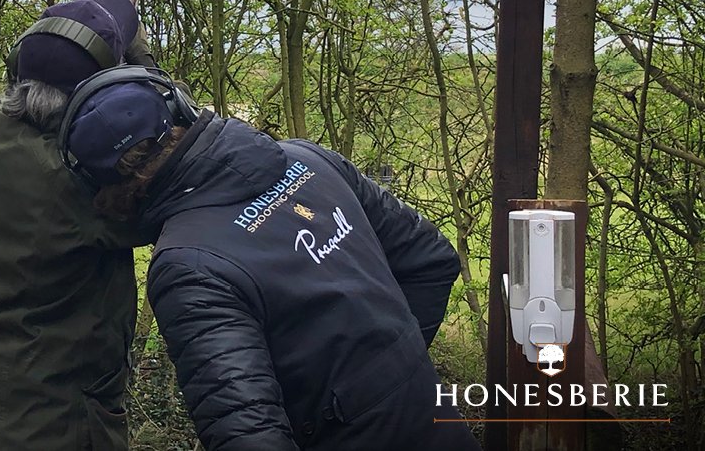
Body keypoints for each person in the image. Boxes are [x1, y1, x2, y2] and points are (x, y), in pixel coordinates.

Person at [61, 67, 482, 451]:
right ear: (180, 110)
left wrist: (347, 413)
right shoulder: (309, 158)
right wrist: (391, 375)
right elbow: (432, 259)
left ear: (104, 188)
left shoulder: (186, 264)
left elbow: (248, 436)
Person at [0, 0, 165, 450]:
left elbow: (58, 56)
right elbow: (177, 154)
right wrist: (141, 63)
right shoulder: (81, 185)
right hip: (55, 429)